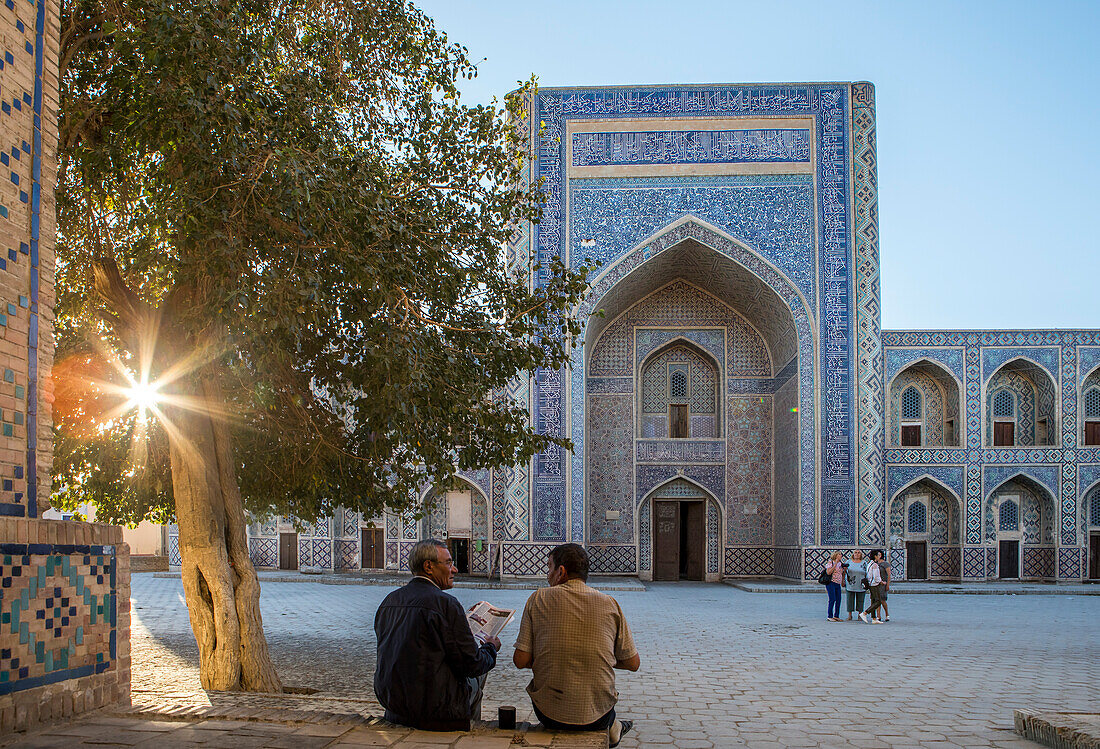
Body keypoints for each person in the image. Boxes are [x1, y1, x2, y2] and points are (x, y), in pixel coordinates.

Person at [513, 543, 640, 748]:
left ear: (561, 571)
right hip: (598, 716)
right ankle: (614, 727)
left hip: (548, 714)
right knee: (605, 707)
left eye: (549, 568)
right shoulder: (610, 603)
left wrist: (554, 656)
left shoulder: (538, 598)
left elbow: (520, 660)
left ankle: (614, 727)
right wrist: (598, 658)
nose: (547, 576)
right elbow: (633, 663)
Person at [374, 539, 501, 730]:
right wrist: (490, 647)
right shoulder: (445, 604)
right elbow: (472, 664)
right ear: (428, 567)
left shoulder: (389, 601)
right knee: (478, 675)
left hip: (395, 704)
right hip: (434, 707)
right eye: (449, 563)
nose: (455, 569)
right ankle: (466, 727)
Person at [858, 550, 886, 624]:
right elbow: (876, 576)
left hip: (870, 584)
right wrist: (881, 582)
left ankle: (874, 618)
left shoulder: (869, 564)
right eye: (878, 555)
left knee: (873, 601)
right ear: (875, 556)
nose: (880, 557)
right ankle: (865, 613)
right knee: (878, 601)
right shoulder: (875, 565)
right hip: (874, 585)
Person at [843, 549, 867, 621]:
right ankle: (850, 615)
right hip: (851, 584)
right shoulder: (849, 562)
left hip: (861, 584)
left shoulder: (864, 563)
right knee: (850, 599)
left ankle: (860, 615)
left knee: (860, 600)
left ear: (861, 554)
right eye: (855, 553)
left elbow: (867, 572)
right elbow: (844, 571)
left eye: (858, 553)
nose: (857, 554)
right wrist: (843, 580)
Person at [824, 551, 844, 621]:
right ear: (835, 555)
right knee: (832, 599)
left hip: (837, 583)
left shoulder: (840, 564)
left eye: (841, 554)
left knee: (838, 600)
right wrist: (834, 565)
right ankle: (830, 616)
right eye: (839, 554)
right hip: (831, 583)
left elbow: (841, 573)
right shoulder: (830, 563)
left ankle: (836, 616)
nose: (841, 555)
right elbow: (828, 572)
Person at [879, 551, 892, 623]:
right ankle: (878, 616)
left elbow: (889, 575)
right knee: (877, 600)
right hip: (876, 584)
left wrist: (888, 584)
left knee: (882, 600)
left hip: (883, 584)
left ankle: (887, 614)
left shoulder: (885, 564)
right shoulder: (875, 564)